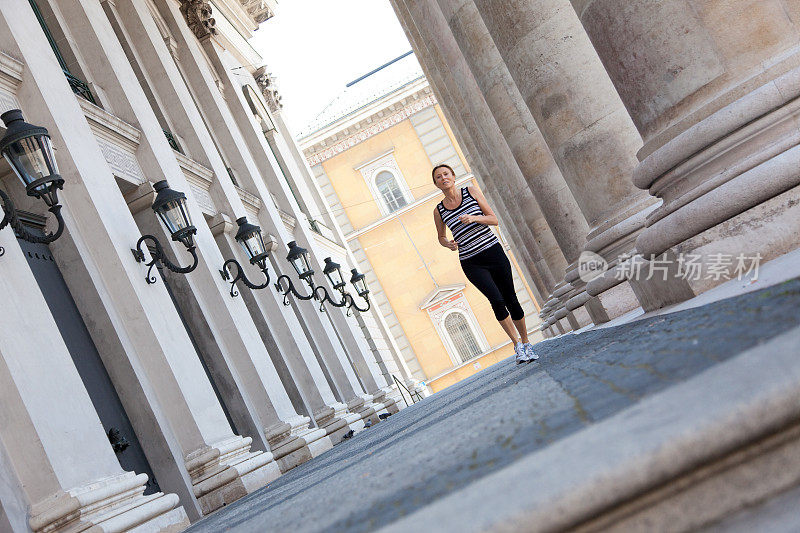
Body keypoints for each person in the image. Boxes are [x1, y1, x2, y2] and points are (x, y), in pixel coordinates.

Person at [432, 164, 538, 363]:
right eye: (438, 177)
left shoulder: (471, 192)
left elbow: (494, 219)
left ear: (453, 177)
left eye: (446, 174)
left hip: (493, 253)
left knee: (510, 298)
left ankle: (526, 342)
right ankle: (516, 345)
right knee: (496, 300)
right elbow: (441, 237)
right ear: (436, 184)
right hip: (471, 262)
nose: (443, 178)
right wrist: (448, 244)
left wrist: (473, 218)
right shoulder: (439, 211)